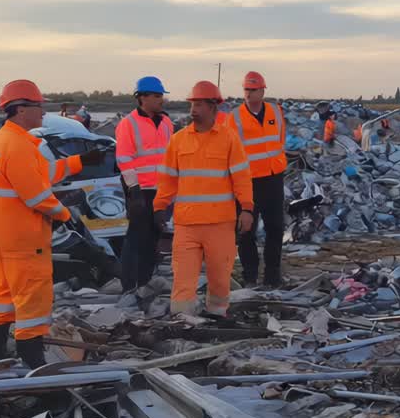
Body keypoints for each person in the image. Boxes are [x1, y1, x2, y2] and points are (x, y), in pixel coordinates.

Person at [0, 80, 103, 366]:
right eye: (39, 106)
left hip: (5, 239)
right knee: (32, 305)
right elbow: (37, 195)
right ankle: (34, 365)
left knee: (4, 300)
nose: (43, 112)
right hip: (26, 241)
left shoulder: (2, 141)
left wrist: (79, 162)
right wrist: (65, 216)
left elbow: (40, 174)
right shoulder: (17, 146)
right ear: (21, 109)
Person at [153, 81, 254, 316]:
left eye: (199, 104)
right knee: (183, 280)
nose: (193, 109)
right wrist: (159, 206)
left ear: (212, 107)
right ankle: (182, 320)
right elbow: (167, 179)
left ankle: (217, 315)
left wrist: (247, 209)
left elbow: (242, 178)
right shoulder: (178, 141)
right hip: (187, 224)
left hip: (220, 224)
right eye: (192, 104)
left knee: (220, 278)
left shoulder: (229, 139)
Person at [224, 71, 288, 288]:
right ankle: (250, 276)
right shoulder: (234, 118)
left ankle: (272, 276)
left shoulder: (275, 112)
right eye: (246, 90)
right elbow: (229, 151)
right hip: (247, 182)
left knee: (275, 228)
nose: (249, 94)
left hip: (273, 178)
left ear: (262, 90)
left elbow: (279, 140)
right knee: (246, 232)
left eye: (253, 90)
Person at [114, 76, 173, 293]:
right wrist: (134, 191)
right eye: (157, 96)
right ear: (143, 98)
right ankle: (129, 287)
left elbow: (170, 155)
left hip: (162, 191)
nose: (161, 100)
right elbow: (124, 159)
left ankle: (145, 283)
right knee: (136, 238)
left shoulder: (166, 122)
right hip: (140, 191)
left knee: (153, 239)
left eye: (161, 96)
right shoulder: (128, 124)